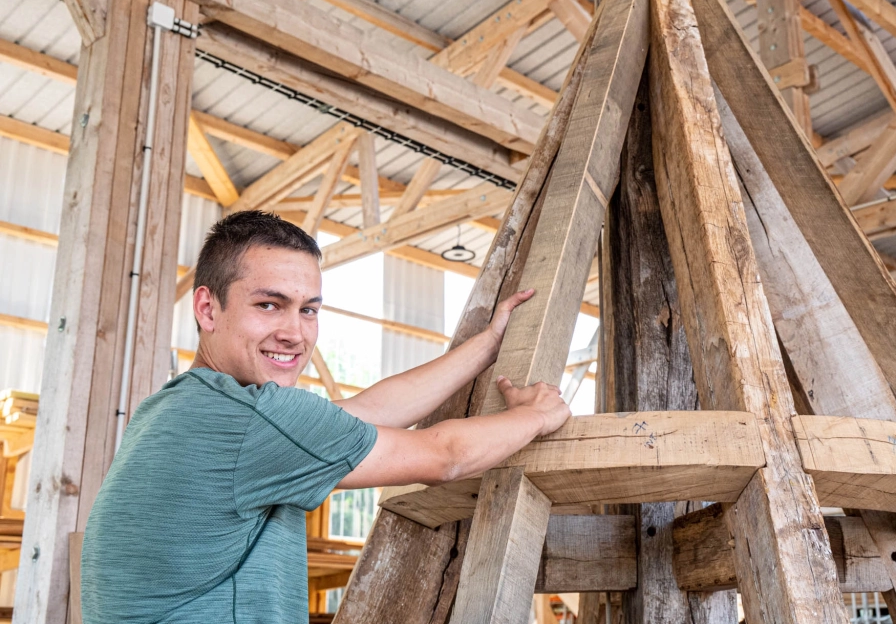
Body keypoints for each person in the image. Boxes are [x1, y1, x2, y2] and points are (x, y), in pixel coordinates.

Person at [81, 210, 570, 623]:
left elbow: (364, 413)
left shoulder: (177, 409)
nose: (294, 333)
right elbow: (445, 456)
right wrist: (536, 415)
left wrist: (486, 347)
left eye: (309, 310)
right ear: (208, 308)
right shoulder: (254, 420)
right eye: (269, 305)